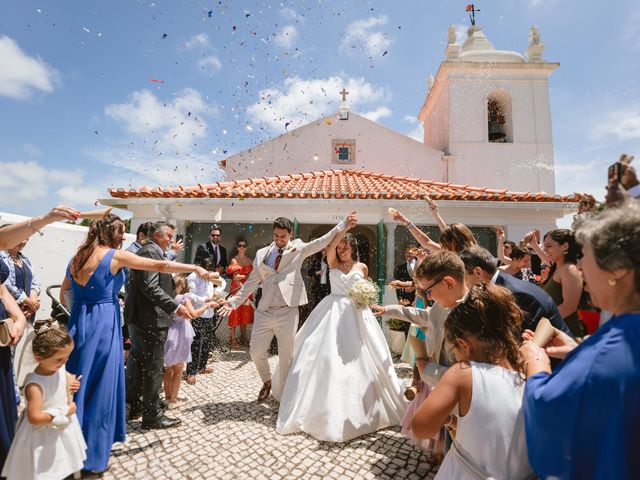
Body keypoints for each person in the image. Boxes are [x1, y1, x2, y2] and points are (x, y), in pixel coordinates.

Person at [60, 216, 207, 474]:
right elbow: (159, 265)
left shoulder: (77, 258)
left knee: (76, 385)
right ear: (115, 236)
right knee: (101, 388)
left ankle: (67, 450)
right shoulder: (114, 256)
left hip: (78, 324)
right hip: (103, 325)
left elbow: (64, 294)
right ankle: (93, 458)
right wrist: (194, 268)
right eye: (121, 235)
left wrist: (82, 313)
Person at [520, 202, 640, 479]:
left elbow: (547, 413)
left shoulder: (610, 350)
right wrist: (579, 351)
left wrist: (535, 363)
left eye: (585, 255)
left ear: (619, 270)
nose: (581, 265)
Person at [275, 222, 406, 442]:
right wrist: (343, 230)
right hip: (331, 310)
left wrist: (364, 297)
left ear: (353, 248)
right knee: (322, 355)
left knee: (362, 355)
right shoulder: (332, 262)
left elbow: (364, 289)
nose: (341, 249)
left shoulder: (362, 267)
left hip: (356, 312)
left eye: (346, 246)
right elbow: (332, 244)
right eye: (340, 246)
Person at [218, 214, 355, 402]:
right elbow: (251, 282)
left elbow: (323, 241)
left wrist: (343, 225)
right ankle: (267, 381)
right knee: (256, 352)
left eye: (283, 237)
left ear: (290, 234)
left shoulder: (298, 248)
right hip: (265, 309)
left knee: (285, 357)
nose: (279, 240)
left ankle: (284, 399)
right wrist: (233, 303)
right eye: (276, 236)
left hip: (287, 310)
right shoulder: (262, 254)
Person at [412, 283, 533, 479]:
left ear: (463, 344)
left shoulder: (463, 373)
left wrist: (446, 418)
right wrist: (453, 421)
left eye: (454, 352)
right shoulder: (528, 372)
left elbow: (420, 427)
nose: (456, 357)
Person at [0, 205, 77, 473]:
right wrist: (22, 301)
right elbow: (8, 284)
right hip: (18, 308)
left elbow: (26, 282)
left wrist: (24, 309)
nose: (23, 241)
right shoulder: (4, 257)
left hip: (18, 315)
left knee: (13, 356)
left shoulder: (25, 259)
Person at [2, 319, 86, 480]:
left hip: (61, 433)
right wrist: (64, 412)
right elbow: (34, 417)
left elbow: (64, 381)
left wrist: (71, 385)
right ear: (39, 357)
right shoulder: (35, 385)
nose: (63, 363)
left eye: (67, 359)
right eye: (59, 360)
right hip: (42, 437)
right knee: (44, 471)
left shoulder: (59, 369)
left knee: (64, 464)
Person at [459, 246, 573, 336]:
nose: (463, 283)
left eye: (463, 277)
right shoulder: (502, 285)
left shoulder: (515, 294)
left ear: (478, 273)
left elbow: (520, 339)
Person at [163, 275, 218, 409]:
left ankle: (168, 397)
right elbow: (193, 314)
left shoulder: (168, 297)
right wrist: (207, 306)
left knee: (169, 367)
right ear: (184, 285)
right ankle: (174, 401)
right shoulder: (184, 298)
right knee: (179, 367)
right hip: (181, 332)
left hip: (169, 331)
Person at [525, 229, 585, 336]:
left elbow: (569, 306)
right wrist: (533, 244)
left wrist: (540, 324)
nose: (545, 249)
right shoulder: (558, 267)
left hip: (567, 335)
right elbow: (545, 257)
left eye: (549, 246)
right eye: (544, 246)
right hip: (553, 332)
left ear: (565, 246)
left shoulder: (569, 269)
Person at [185, 258, 226, 385]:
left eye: (211, 270)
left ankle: (202, 366)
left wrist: (217, 293)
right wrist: (206, 300)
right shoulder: (192, 277)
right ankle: (191, 372)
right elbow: (191, 296)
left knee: (207, 341)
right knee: (195, 343)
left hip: (210, 314)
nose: (208, 273)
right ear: (200, 267)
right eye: (206, 270)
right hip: (197, 313)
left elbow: (222, 282)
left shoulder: (210, 275)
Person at [0, 237, 41, 323]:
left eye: (26, 238)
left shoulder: (25, 259)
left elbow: (34, 283)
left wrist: (32, 303)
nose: (23, 241)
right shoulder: (2, 257)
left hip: (25, 311)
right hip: (8, 311)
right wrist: (26, 300)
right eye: (20, 237)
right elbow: (5, 284)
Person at [227, 240, 254, 348]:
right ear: (237, 247)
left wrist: (243, 278)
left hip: (246, 289)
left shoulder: (250, 260)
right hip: (236, 289)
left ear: (246, 247)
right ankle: (233, 338)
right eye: (240, 245)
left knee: (245, 314)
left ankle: (244, 337)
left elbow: (253, 277)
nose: (242, 247)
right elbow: (236, 277)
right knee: (234, 313)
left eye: (244, 245)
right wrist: (245, 277)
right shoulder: (234, 259)